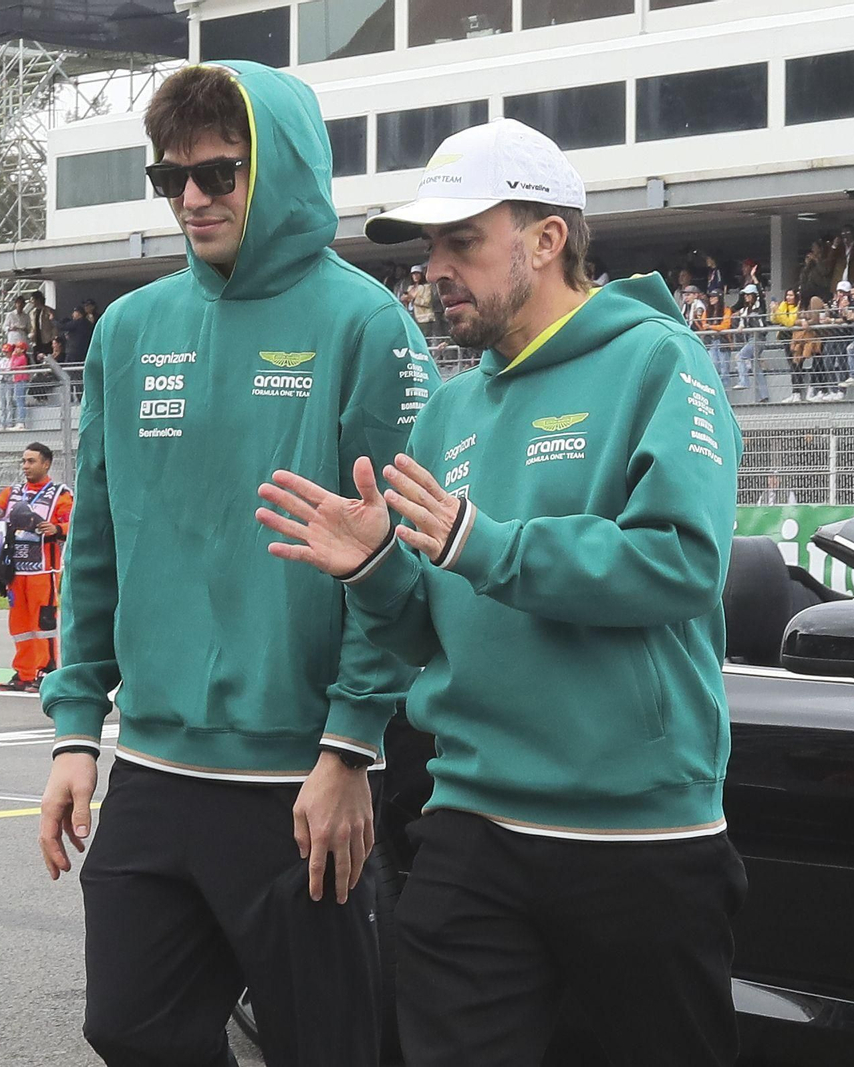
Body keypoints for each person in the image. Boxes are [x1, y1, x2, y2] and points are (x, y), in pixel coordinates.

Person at [260, 116, 745, 1067]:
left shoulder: (657, 359)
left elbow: (684, 562)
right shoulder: (449, 409)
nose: (435, 267)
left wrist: (488, 542)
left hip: (639, 839)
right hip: (469, 829)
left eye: (462, 240)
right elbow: (425, 636)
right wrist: (373, 571)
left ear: (547, 238)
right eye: (429, 246)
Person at [37, 61, 436, 1067]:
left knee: (327, 1046)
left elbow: (405, 568)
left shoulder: (366, 326)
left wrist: (350, 744)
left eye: (218, 173)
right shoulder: (128, 330)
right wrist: (75, 729)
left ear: (283, 166)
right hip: (156, 766)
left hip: (300, 773)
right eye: (168, 180)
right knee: (128, 1024)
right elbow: (96, 549)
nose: (192, 199)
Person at [0, 443, 72, 693]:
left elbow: (74, 524)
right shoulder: (13, 492)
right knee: (20, 626)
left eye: (31, 461)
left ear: (46, 464)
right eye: (23, 461)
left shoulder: (60, 493)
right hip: (16, 572)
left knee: (43, 623)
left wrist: (57, 529)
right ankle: (24, 673)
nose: (25, 466)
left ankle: (46, 671)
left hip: (42, 572)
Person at [406, 265, 439, 337]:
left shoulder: (427, 287)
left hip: (424, 319)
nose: (415, 276)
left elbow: (427, 302)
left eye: (417, 274)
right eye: (413, 274)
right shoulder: (410, 288)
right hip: (412, 318)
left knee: (424, 338)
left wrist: (413, 299)